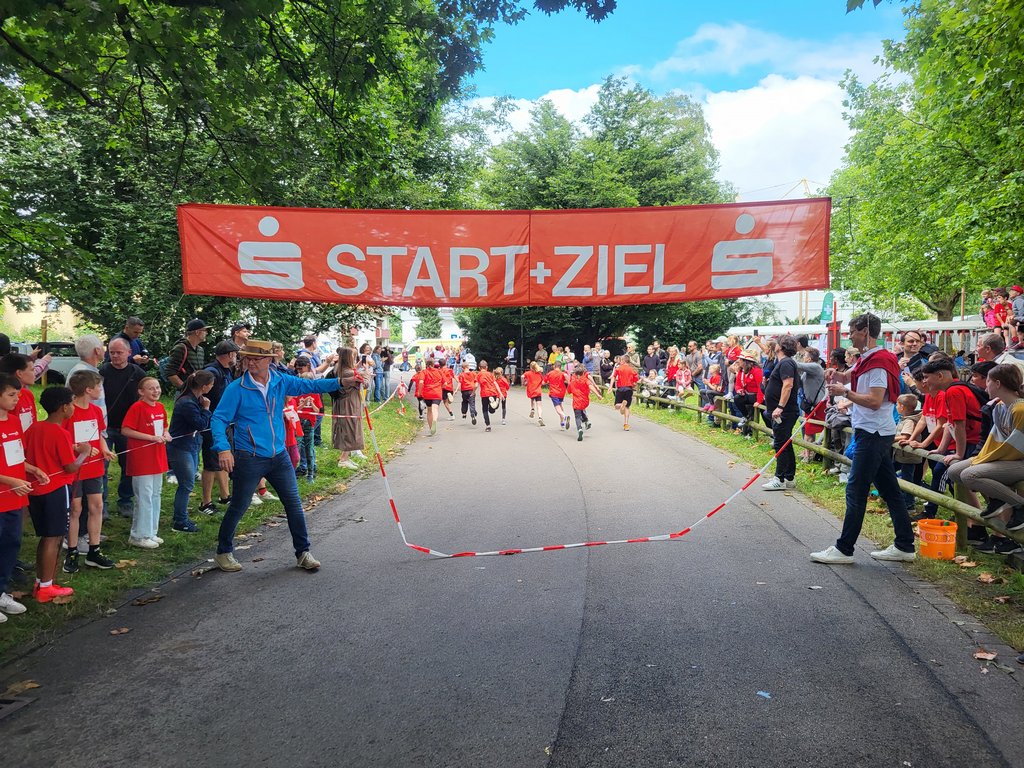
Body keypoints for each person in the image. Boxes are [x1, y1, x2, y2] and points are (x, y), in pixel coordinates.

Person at [211, 340, 344, 572]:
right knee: (239, 505)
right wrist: (223, 448)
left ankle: (303, 552)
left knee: (294, 504)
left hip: (279, 456)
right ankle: (223, 552)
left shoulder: (280, 380)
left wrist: (341, 382)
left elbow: (310, 385)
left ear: (269, 360)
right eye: (247, 358)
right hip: (249, 457)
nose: (250, 362)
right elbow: (219, 418)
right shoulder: (236, 388)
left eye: (256, 358)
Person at [811, 313, 915, 564]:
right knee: (890, 490)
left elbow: (875, 400)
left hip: (873, 433)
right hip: (874, 431)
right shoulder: (868, 358)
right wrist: (836, 374)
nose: (849, 337)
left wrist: (845, 392)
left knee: (856, 490)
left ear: (865, 331)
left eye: (852, 332)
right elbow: (849, 377)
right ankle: (904, 545)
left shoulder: (878, 362)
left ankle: (844, 549)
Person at [946, 364, 1024, 554]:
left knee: (970, 475)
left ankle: (1019, 505)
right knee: (954, 471)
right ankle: (997, 500)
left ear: (997, 383)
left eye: (987, 381)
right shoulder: (999, 407)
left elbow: (1016, 446)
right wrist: (982, 458)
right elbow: (994, 440)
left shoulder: (1020, 409)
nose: (983, 385)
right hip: (1006, 458)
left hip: (1017, 460)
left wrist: (986, 460)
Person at [24, 387, 91, 603]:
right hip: (55, 489)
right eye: (71, 404)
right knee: (54, 537)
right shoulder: (60, 433)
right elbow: (70, 467)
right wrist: (84, 454)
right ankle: (46, 586)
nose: (73, 407)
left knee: (46, 536)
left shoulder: (34, 428)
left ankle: (41, 581)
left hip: (36, 489)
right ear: (64, 407)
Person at [0, 374, 49, 624]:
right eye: (11, 395)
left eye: (17, 395)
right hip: (5, 494)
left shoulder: (13, 421)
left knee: (11, 543)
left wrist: (32, 469)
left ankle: (2, 591)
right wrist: (11, 481)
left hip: (15, 498)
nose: (16, 399)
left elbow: (16, 456)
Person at [62, 370, 116, 571]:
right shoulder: (69, 411)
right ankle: (72, 551)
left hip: (95, 467)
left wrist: (104, 449)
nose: (101, 390)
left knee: (97, 506)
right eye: (98, 386)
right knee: (75, 509)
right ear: (88, 390)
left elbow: (99, 434)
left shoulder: (95, 411)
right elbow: (62, 439)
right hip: (75, 469)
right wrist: (78, 448)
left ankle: (94, 550)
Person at [121, 377, 171, 549]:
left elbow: (164, 426)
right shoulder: (137, 408)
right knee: (145, 496)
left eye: (157, 387)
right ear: (141, 392)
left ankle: (151, 531)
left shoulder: (160, 407)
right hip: (142, 458)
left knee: (156, 494)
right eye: (151, 388)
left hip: (158, 456)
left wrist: (166, 434)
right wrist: (150, 437)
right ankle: (138, 535)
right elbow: (126, 429)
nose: (156, 391)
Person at [100, 337, 146, 517]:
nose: (115, 356)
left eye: (119, 352)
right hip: (106, 427)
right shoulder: (103, 371)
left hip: (129, 428)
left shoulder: (137, 373)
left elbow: (147, 395)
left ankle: (125, 500)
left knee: (129, 466)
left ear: (129, 353)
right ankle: (101, 504)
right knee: (101, 467)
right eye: (112, 352)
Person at [166, 371, 214, 533]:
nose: (212, 387)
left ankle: (180, 517)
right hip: (180, 447)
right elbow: (200, 424)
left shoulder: (194, 400)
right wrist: (206, 409)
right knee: (186, 484)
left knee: (189, 482)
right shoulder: (187, 403)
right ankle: (180, 521)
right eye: (211, 384)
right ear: (204, 386)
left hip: (190, 445)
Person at [197, 339, 238, 515]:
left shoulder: (226, 371)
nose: (236, 357)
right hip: (212, 423)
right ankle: (205, 502)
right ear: (229, 355)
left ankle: (225, 495)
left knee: (223, 461)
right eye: (235, 354)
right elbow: (200, 393)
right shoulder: (212, 372)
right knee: (211, 464)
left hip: (225, 422)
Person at [761, 335, 799, 491]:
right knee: (785, 443)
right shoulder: (782, 362)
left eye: (776, 343)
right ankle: (789, 477)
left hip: (784, 412)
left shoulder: (786, 363)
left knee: (780, 444)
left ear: (781, 347)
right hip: (781, 411)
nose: (774, 345)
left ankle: (780, 478)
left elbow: (788, 385)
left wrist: (780, 406)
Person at [332, 347, 368, 469]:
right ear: (348, 357)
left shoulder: (339, 368)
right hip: (349, 404)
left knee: (347, 428)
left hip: (343, 402)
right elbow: (365, 383)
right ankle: (343, 459)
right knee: (350, 428)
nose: (355, 358)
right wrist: (366, 371)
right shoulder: (348, 373)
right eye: (353, 356)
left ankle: (345, 457)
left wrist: (356, 368)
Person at [166, 319, 209, 391]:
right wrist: (186, 390)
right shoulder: (180, 348)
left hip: (196, 392)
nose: (206, 333)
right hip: (184, 393)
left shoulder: (201, 350)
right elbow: (170, 372)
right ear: (197, 332)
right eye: (204, 330)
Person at [568, 364, 602, 441]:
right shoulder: (586, 380)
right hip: (585, 401)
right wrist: (597, 395)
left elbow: (569, 391)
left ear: (575, 374)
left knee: (577, 416)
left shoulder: (572, 382)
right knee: (582, 409)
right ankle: (586, 420)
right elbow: (590, 386)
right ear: (583, 373)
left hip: (576, 402)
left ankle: (579, 429)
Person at [611, 355, 639, 431]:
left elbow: (613, 377)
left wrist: (610, 387)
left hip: (620, 388)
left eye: (620, 360)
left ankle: (621, 405)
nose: (620, 361)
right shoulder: (632, 369)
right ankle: (626, 424)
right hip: (629, 389)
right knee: (627, 407)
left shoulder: (618, 368)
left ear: (623, 360)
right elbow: (636, 380)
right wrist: (633, 384)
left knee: (616, 406)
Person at [419, 356, 444, 436]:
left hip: (427, 394)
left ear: (426, 364)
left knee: (429, 410)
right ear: (433, 364)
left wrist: (420, 392)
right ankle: (435, 420)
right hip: (437, 393)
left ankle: (431, 429)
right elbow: (445, 383)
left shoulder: (424, 372)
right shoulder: (439, 371)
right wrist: (440, 387)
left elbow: (421, 382)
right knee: (435, 408)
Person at [545, 360, 571, 430]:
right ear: (560, 366)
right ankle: (562, 423)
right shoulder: (563, 373)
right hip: (561, 392)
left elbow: (544, 382)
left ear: (554, 366)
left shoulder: (550, 373)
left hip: (554, 392)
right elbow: (568, 380)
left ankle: (564, 417)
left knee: (557, 407)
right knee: (560, 405)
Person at [476, 360, 500, 432]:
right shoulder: (490, 374)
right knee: (492, 411)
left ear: (479, 367)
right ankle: (495, 404)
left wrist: (473, 392)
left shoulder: (478, 375)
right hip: (493, 392)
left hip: (484, 394)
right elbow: (495, 383)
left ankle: (488, 426)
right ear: (486, 367)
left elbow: (476, 385)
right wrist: (500, 393)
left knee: (485, 410)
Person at [522, 361, 545, 426]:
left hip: (531, 390)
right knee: (539, 405)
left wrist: (523, 383)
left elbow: (522, 376)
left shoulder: (528, 373)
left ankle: (532, 409)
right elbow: (542, 382)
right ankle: (540, 417)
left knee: (532, 400)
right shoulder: (539, 374)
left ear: (530, 367)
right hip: (538, 391)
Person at [458, 360, 478, 425]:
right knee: (472, 403)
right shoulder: (473, 373)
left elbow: (460, 383)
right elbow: (476, 382)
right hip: (471, 390)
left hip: (464, 391)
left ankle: (464, 413)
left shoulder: (461, 374)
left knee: (464, 402)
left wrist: (456, 390)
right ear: (468, 367)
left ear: (462, 368)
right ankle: (473, 414)